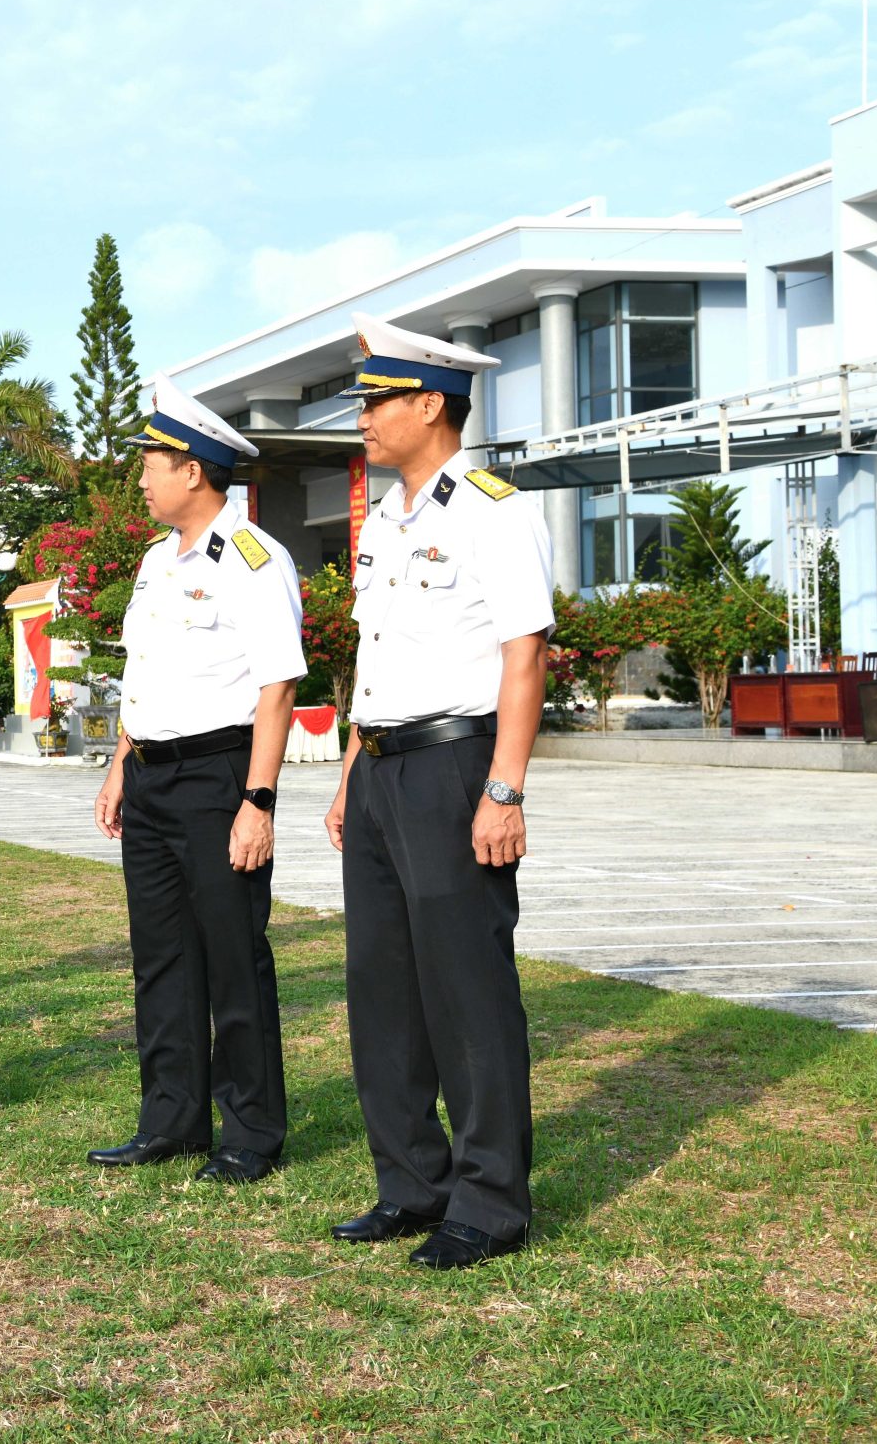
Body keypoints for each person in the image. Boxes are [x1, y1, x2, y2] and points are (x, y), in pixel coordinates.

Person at [321, 314, 552, 1271]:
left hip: (456, 767)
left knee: (466, 988)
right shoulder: (385, 521)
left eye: (376, 402)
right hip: (378, 768)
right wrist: (346, 776)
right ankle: (410, 1184)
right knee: (384, 988)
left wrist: (504, 787)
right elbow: (376, 662)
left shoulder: (493, 509)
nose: (363, 420)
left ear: (428, 404)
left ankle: (491, 1200)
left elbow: (524, 652)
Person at [87, 377, 303, 1180]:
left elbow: (277, 687)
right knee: (162, 956)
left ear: (195, 471)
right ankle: (170, 1118)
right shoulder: (154, 563)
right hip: (151, 778)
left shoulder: (253, 559)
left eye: (152, 461)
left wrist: (258, 800)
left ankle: (251, 1131)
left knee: (232, 956)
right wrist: (118, 767)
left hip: (220, 775)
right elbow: (145, 678)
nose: (141, 477)